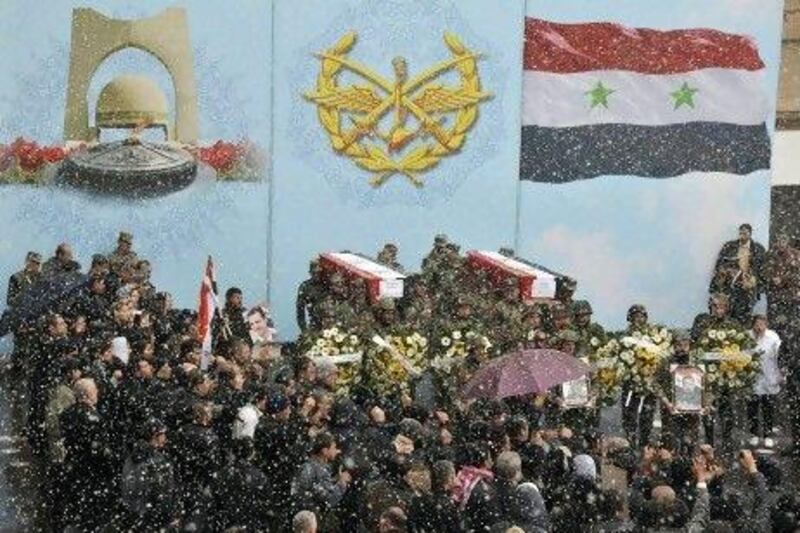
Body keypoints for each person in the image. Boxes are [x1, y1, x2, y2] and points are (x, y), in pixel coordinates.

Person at [121, 418, 179, 530]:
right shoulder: (154, 459)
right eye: (163, 435)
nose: (165, 438)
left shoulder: (135, 455)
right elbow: (161, 489)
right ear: (155, 436)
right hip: (151, 516)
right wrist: (167, 516)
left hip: (140, 515)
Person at [711, 223, 766, 323]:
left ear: (750, 234)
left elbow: (763, 270)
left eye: (745, 233)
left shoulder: (758, 249)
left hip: (748, 287)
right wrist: (726, 272)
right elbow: (720, 264)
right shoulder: (729, 246)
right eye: (741, 232)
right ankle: (728, 335)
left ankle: (741, 336)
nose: (742, 235)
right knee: (727, 312)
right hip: (730, 286)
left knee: (745, 315)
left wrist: (759, 287)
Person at [291, 432, 351, 520]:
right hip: (313, 520)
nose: (337, 451)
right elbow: (329, 500)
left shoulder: (315, 467)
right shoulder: (314, 469)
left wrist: (336, 480)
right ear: (324, 451)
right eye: (333, 448)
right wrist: (341, 483)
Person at [748, 315, 782, 444]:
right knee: (752, 406)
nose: (759, 327)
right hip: (753, 376)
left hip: (769, 374)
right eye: (757, 324)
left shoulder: (773, 336)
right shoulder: (748, 335)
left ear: (766, 324)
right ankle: (754, 434)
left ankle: (768, 434)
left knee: (768, 406)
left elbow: (780, 354)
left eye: (762, 324)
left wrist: (780, 373)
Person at [213, 287, 251, 352]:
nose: (240, 301)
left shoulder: (244, 314)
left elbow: (249, 333)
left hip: (242, 348)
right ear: (229, 298)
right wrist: (220, 324)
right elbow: (214, 332)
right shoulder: (220, 313)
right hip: (225, 347)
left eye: (241, 298)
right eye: (237, 298)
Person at [297, 260, 324, 331]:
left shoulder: (327, 285)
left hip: (330, 325)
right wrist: (304, 330)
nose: (317, 275)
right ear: (310, 273)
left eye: (319, 273)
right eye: (314, 273)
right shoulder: (305, 286)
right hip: (314, 324)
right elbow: (300, 311)